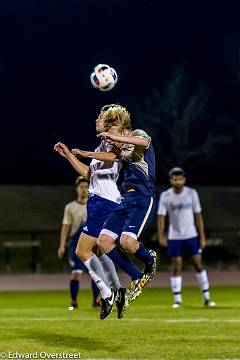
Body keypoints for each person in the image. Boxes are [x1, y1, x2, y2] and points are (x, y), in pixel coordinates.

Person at [54, 104, 148, 320]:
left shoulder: (112, 142)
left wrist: (86, 152)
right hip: (100, 201)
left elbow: (115, 157)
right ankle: (118, 290)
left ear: (108, 121)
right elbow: (89, 173)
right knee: (97, 250)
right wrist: (69, 155)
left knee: (81, 251)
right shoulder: (102, 145)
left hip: (105, 202)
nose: (96, 119)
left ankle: (107, 294)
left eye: (100, 116)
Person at [85, 115, 158, 302]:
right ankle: (137, 277)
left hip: (143, 197)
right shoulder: (121, 149)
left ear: (123, 130)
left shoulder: (136, 135)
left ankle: (150, 260)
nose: (110, 135)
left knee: (127, 243)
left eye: (113, 131)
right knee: (104, 242)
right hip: (125, 199)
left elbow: (143, 142)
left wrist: (117, 138)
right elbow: (110, 157)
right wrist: (86, 153)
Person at [157, 167, 216, 308]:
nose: (177, 181)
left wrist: (202, 237)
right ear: (171, 180)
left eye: (180, 179)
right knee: (176, 266)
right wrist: (161, 236)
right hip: (175, 237)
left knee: (198, 264)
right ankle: (177, 300)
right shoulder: (166, 196)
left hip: (191, 235)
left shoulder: (191, 193)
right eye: (174, 179)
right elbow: (161, 217)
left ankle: (207, 298)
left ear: (184, 179)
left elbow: (198, 215)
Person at [58, 175, 100, 310]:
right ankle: (74, 301)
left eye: (87, 187)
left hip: (92, 242)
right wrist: (61, 245)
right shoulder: (70, 207)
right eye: (81, 187)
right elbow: (66, 226)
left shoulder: (95, 205)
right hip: (76, 243)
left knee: (95, 273)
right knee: (76, 273)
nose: (84, 189)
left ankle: (96, 300)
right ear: (76, 189)